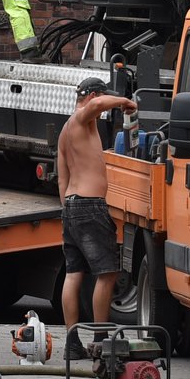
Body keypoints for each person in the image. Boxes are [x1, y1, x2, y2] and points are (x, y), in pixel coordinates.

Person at [56, 77, 139, 332]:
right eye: (100, 98)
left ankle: (72, 339)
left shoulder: (64, 133)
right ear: (92, 96)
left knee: (74, 274)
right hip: (90, 205)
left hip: (71, 205)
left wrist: (68, 211)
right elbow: (97, 105)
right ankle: (102, 338)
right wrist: (125, 101)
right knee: (107, 273)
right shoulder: (82, 117)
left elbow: (62, 180)